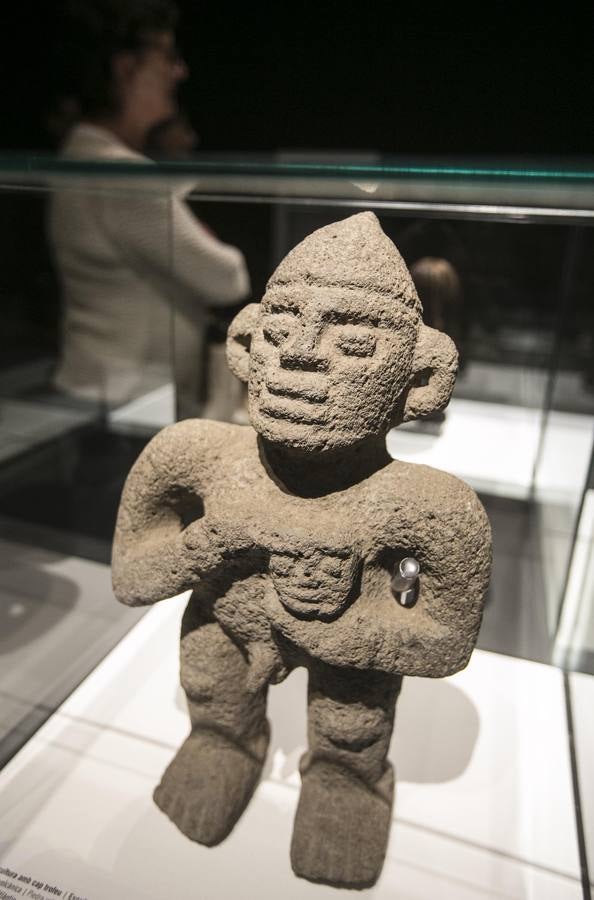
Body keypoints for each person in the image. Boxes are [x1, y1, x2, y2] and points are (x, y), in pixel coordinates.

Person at [49, 0, 250, 413]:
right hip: (128, 403)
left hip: (107, 392)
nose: (180, 72)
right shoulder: (121, 174)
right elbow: (228, 277)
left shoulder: (81, 153)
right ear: (125, 69)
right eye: (167, 57)